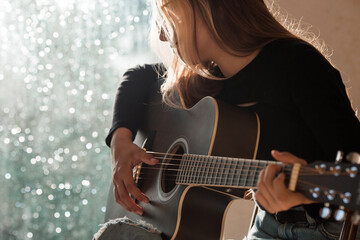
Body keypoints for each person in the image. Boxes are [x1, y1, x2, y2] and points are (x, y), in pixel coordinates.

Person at [103, 0, 360, 239]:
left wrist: (302, 197)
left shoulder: (298, 65)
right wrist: (120, 142)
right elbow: (138, 77)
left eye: (167, 14)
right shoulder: (208, 78)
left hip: (323, 229)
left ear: (204, 6)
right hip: (268, 225)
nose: (161, 34)